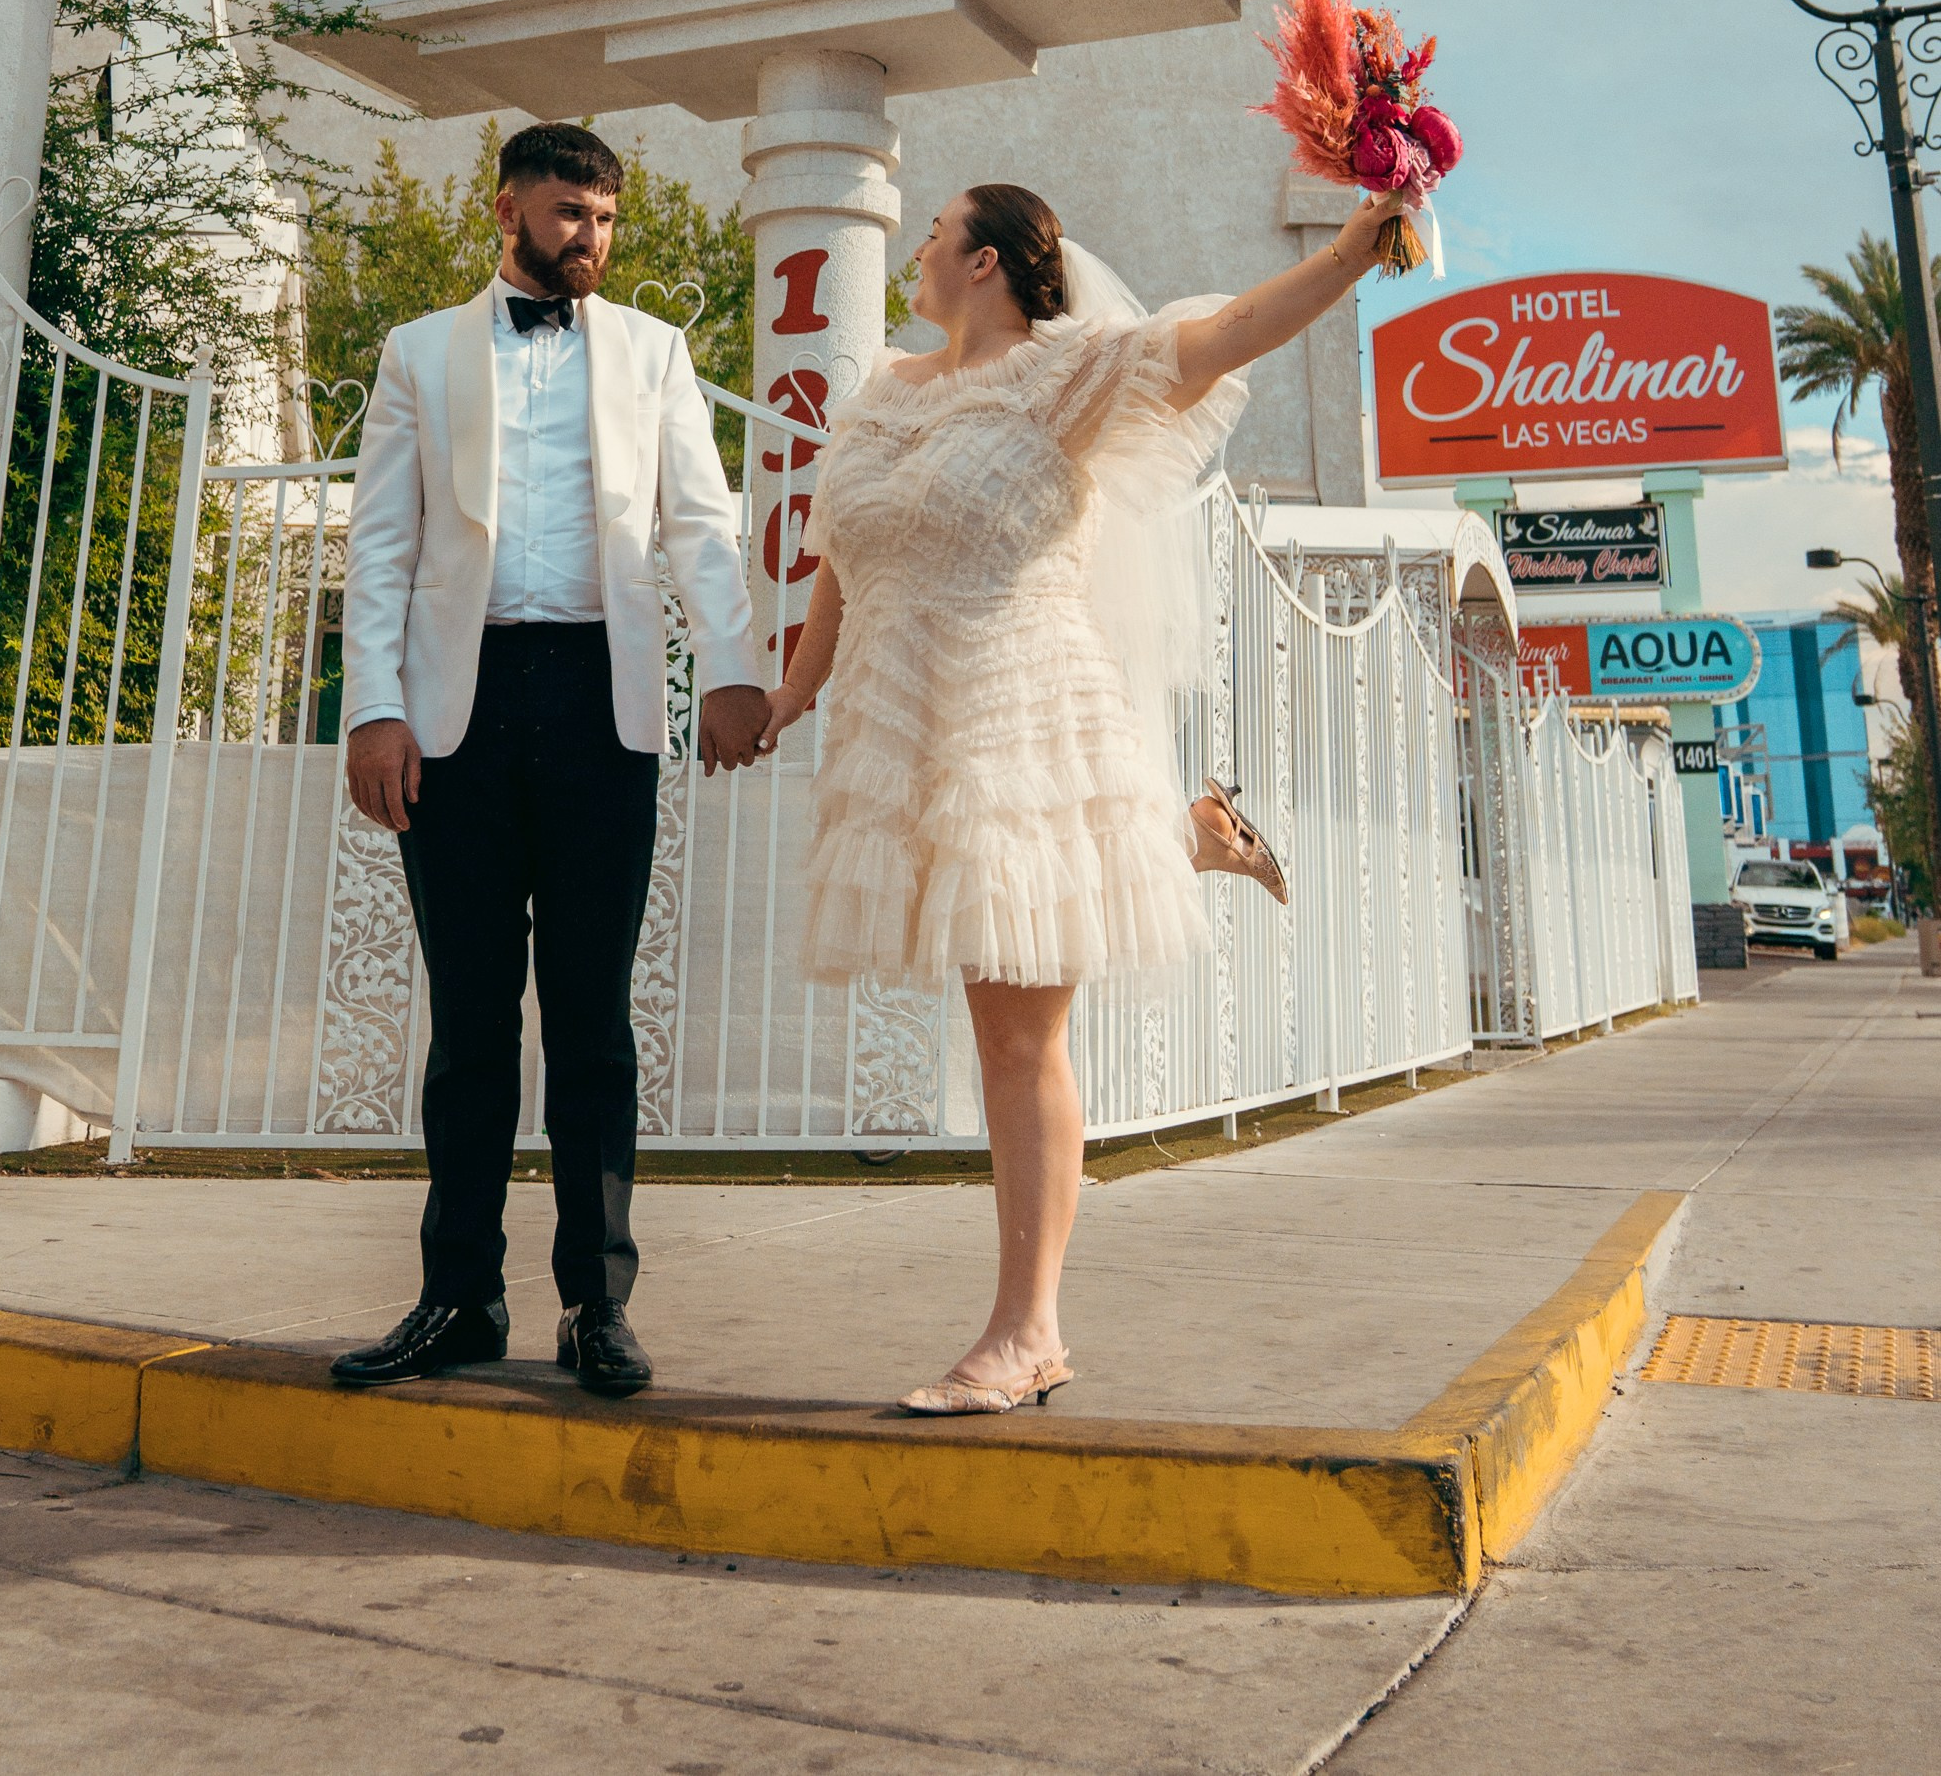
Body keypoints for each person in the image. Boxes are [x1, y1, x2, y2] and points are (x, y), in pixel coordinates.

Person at [751, 174, 1423, 1415]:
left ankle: (1027, 1331)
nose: (913, 252)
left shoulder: (1068, 374)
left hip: (1025, 723)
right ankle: (1186, 835)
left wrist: (1344, 252)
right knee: (985, 1001)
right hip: (903, 730)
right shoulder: (881, 394)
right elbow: (838, 559)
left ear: (990, 263)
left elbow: (1229, 334)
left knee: (1016, 1033)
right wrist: (793, 693)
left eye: (935, 234)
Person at [327, 122, 770, 1398]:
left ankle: (597, 1305)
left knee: (591, 1022)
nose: (593, 239)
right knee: (469, 1027)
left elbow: (699, 523)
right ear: (509, 211)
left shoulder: (653, 352)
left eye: (607, 219)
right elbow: (382, 550)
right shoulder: (420, 352)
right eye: (572, 214)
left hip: (598, 705)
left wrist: (730, 670)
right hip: (454, 718)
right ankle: (457, 1298)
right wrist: (373, 710)